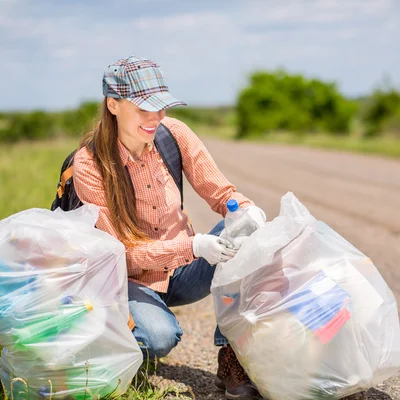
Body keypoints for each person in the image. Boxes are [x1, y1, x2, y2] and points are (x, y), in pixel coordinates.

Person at [72, 56, 266, 400]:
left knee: (244, 233)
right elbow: (119, 254)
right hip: (128, 281)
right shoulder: (89, 165)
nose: (155, 118)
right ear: (113, 105)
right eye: (143, 109)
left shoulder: (173, 134)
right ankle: (113, 346)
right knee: (159, 337)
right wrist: (191, 247)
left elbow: (221, 192)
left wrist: (245, 211)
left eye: (159, 107)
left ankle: (231, 358)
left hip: (184, 271)